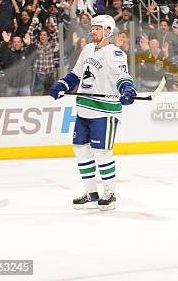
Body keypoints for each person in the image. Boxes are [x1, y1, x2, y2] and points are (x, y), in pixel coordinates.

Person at [49, 15, 137, 210]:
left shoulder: (114, 53)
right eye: (93, 28)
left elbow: (122, 77)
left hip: (104, 112)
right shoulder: (88, 49)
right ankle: (92, 193)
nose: (93, 31)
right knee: (80, 150)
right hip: (83, 109)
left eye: (97, 28)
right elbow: (76, 74)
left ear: (108, 31)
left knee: (102, 152)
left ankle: (110, 194)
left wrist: (127, 90)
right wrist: (63, 84)